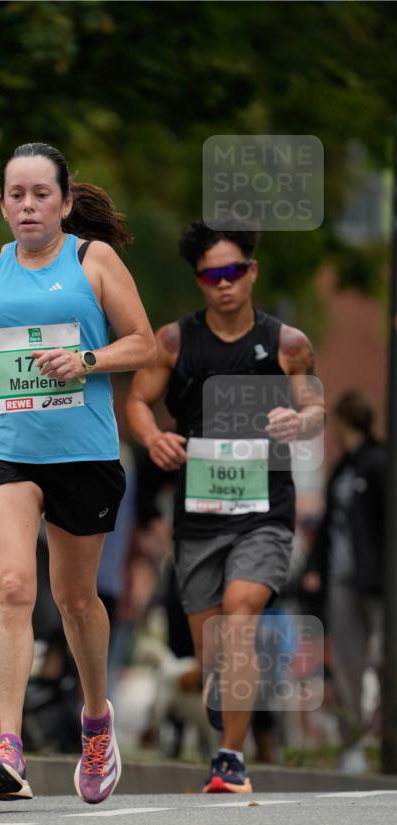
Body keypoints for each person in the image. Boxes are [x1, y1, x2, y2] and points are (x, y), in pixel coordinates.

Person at [0, 141, 156, 803]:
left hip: (81, 453)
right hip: (3, 442)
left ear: (64, 202)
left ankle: (95, 721)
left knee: (74, 599)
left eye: (40, 195)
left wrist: (86, 360)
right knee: (10, 584)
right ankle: (7, 746)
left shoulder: (94, 262)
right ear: (2, 203)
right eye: (16, 195)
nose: (27, 206)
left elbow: (143, 343)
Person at [126, 220, 324, 793]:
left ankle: (230, 759)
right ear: (199, 281)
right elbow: (139, 402)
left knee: (241, 617)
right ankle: (225, 697)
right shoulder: (174, 342)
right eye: (212, 275)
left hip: (265, 512)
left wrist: (299, 419)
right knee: (214, 652)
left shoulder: (287, 344)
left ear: (251, 272)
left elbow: (316, 407)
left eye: (234, 271)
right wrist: (153, 437)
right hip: (198, 515)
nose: (224, 284)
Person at [302, 390, 385, 773]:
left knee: (385, 659)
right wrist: (315, 569)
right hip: (340, 581)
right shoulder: (341, 469)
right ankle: (353, 743)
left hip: (378, 583)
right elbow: (328, 529)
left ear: (344, 422)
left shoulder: (380, 462)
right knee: (349, 665)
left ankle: (385, 739)